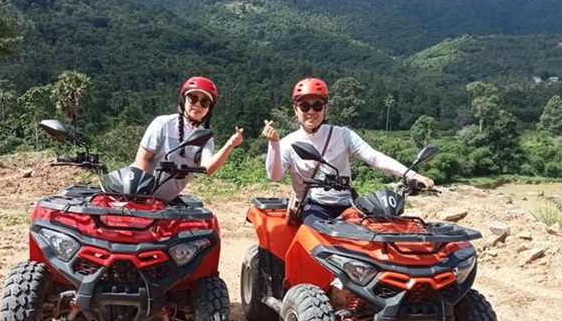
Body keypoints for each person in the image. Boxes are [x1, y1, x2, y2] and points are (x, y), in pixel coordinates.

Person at [262, 77, 434, 225]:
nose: (311, 112)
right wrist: (274, 144)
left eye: (318, 105)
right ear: (296, 109)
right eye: (305, 106)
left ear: (326, 107)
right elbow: (274, 176)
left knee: (372, 236)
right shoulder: (288, 143)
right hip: (313, 205)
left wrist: (410, 175)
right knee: (317, 240)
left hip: (348, 203)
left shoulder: (342, 134)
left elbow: (373, 157)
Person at [134, 76, 243, 201]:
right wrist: (145, 192)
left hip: (164, 201)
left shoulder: (205, 137)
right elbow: (142, 158)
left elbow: (208, 168)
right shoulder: (163, 124)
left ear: (209, 108)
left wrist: (229, 145)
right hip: (139, 193)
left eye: (204, 102)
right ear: (184, 99)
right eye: (193, 98)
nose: (197, 105)